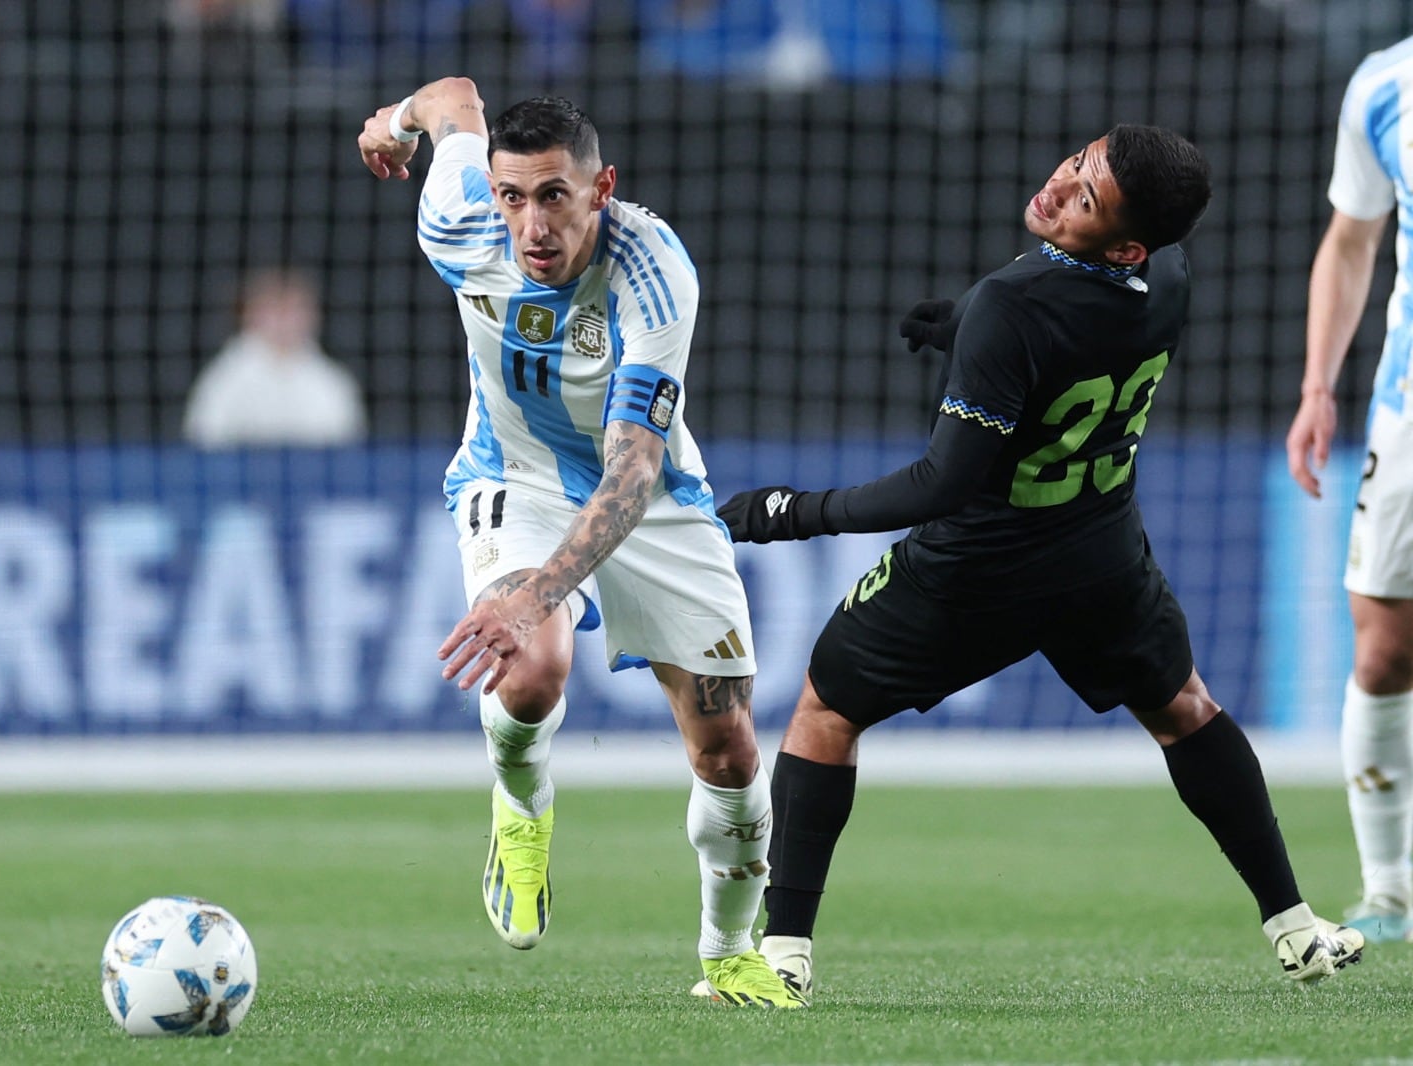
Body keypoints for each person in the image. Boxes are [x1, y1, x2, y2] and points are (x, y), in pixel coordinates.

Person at [714, 124, 1366, 997]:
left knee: (825, 713)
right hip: (1101, 557)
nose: (1058, 189)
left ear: (1125, 240)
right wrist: (968, 340)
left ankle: (783, 954)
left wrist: (794, 513)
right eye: (1077, 164)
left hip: (976, 569)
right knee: (1185, 708)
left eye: (1085, 197)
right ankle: (1296, 927)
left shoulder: (1011, 303)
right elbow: (1076, 344)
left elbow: (942, 483)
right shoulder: (1168, 274)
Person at [358, 77, 803, 1007]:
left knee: (727, 748)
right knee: (531, 668)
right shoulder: (460, 223)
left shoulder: (653, 272)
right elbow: (455, 98)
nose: (531, 225)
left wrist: (536, 590)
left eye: (554, 196)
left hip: (649, 495)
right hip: (511, 478)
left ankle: (726, 955)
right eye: (513, 197)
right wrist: (398, 124)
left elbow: (634, 472)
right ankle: (520, 809)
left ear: (602, 190)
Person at [1286, 35, 1413, 945]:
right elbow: (1352, 236)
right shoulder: (1384, 83)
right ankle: (1391, 891)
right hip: (1409, 408)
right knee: (1382, 647)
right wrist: (1319, 385)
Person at [183, 267, 368, 447]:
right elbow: (203, 437)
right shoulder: (224, 378)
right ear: (248, 314)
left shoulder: (331, 381)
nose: (284, 321)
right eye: (275, 311)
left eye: (294, 311)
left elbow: (348, 444)